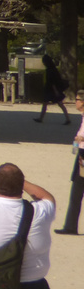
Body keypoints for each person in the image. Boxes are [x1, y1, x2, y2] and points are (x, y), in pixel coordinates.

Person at [57, 91, 84, 235]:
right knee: (76, 191)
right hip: (80, 154)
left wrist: (81, 139)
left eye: (78, 99)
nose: (76, 102)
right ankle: (70, 225)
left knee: (77, 191)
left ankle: (71, 226)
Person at [35, 55, 71, 124]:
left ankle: (40, 118)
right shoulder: (54, 69)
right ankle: (67, 118)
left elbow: (51, 82)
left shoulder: (49, 70)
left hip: (50, 89)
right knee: (60, 104)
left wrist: (55, 91)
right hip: (53, 89)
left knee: (45, 104)